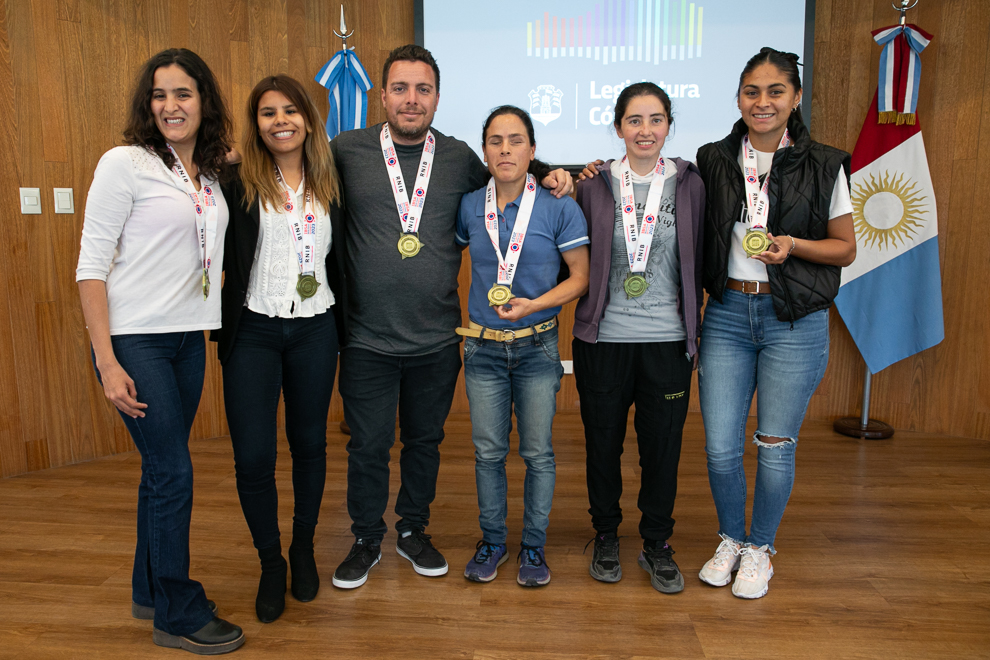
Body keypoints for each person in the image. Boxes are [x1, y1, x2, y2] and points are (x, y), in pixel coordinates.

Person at [328, 44, 573, 590]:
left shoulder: (460, 156)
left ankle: (412, 529)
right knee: (367, 446)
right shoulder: (346, 150)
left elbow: (509, 171)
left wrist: (553, 173)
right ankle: (366, 538)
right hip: (366, 335)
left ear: (438, 97)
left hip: (436, 338)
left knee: (424, 443)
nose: (411, 100)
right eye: (400, 88)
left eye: (423, 89)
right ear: (382, 94)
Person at [76, 48, 244, 654]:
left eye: (183, 94)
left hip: (188, 338)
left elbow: (235, 161)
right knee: (173, 472)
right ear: (147, 104)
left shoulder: (207, 173)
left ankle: (148, 589)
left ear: (204, 101)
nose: (171, 106)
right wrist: (107, 361)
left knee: (159, 470)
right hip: (135, 341)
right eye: (159, 95)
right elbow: (90, 267)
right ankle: (177, 612)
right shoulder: (124, 163)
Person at [695, 48, 856, 599]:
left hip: (793, 320)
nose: (762, 102)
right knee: (720, 446)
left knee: (774, 444)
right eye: (752, 91)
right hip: (727, 316)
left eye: (775, 91)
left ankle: (760, 547)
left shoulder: (825, 163)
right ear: (739, 97)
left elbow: (845, 249)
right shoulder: (714, 158)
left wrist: (793, 245)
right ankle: (730, 538)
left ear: (796, 97)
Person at [214, 75, 344, 623]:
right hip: (252, 330)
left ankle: (303, 549)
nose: (281, 121)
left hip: (316, 328)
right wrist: (224, 155)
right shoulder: (233, 179)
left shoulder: (334, 177)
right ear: (256, 123)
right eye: (268, 113)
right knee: (253, 458)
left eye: (291, 110)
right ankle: (271, 562)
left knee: (309, 446)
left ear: (309, 119)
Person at [572, 83, 705, 594]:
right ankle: (606, 534)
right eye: (634, 120)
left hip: (669, 341)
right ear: (618, 126)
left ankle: (657, 542)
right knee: (602, 444)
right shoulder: (593, 185)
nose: (645, 130)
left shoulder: (691, 185)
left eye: (655, 120)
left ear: (668, 125)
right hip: (604, 341)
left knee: (662, 449)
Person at [457, 106, 589, 587]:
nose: (505, 149)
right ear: (485, 151)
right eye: (495, 141)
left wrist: (535, 305)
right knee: (488, 454)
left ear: (532, 150)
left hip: (537, 348)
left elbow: (580, 277)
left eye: (516, 140)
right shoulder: (469, 205)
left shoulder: (559, 205)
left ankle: (533, 546)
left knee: (537, 453)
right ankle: (493, 541)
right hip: (483, 350)